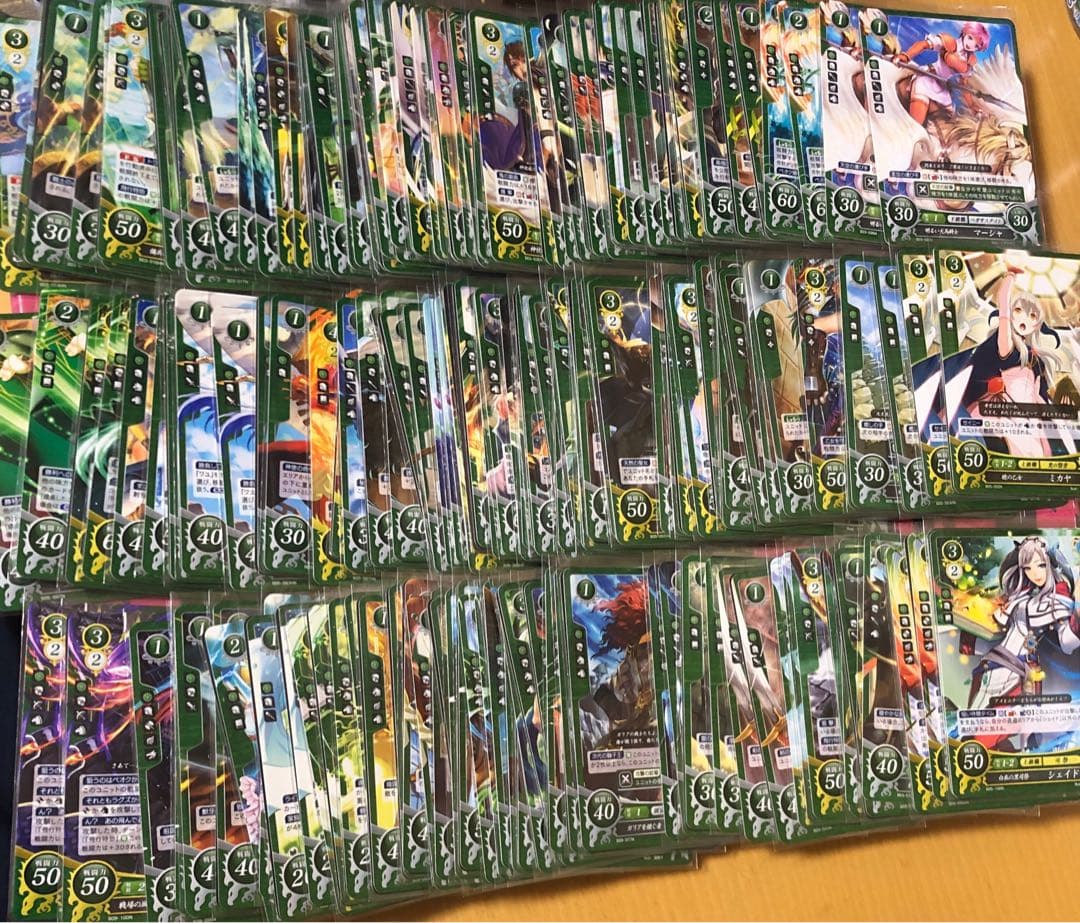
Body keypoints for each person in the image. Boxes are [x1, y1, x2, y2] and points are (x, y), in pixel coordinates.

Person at [895, 20, 990, 125]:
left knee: (949, 124)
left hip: (943, 88)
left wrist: (971, 105)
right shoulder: (949, 42)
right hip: (929, 78)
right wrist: (906, 56)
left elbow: (963, 84)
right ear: (965, 32)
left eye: (976, 46)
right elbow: (924, 45)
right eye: (970, 38)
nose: (971, 45)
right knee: (917, 119)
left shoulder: (969, 60)